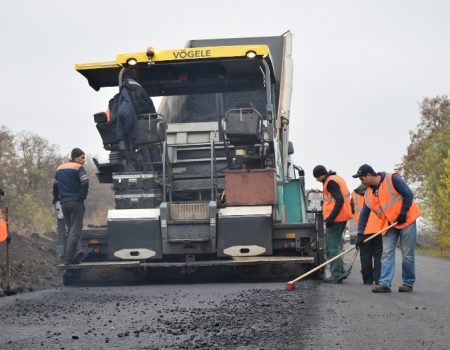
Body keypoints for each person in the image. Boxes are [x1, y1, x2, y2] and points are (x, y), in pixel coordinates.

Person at [352, 164, 420, 293]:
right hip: (389, 224)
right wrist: (360, 234)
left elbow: (408, 194)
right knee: (386, 253)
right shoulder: (368, 194)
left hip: (407, 220)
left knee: (407, 254)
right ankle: (384, 283)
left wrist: (403, 213)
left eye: (362, 179)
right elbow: (364, 215)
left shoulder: (392, 179)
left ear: (369, 175)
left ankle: (408, 283)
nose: (361, 182)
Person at [313, 165, 353, 283]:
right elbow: (334, 197)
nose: (317, 180)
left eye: (317, 178)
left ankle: (337, 274)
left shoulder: (330, 182)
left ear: (321, 175)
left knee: (332, 247)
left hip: (336, 219)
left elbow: (339, 199)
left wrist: (331, 218)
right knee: (335, 246)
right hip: (341, 217)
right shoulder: (336, 178)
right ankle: (338, 272)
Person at [53, 148, 89, 265]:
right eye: (82, 157)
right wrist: (82, 195)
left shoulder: (59, 168)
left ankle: (77, 252)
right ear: (75, 157)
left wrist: (56, 198)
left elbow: (55, 185)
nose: (84, 160)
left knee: (72, 230)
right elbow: (85, 181)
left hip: (64, 204)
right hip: (76, 202)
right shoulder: (78, 168)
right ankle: (68, 259)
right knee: (75, 231)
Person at [351, 184, 385, 285]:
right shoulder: (375, 193)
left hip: (363, 230)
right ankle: (378, 279)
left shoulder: (354, 194)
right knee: (378, 255)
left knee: (365, 255)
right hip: (378, 229)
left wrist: (359, 232)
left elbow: (352, 211)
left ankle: (367, 279)